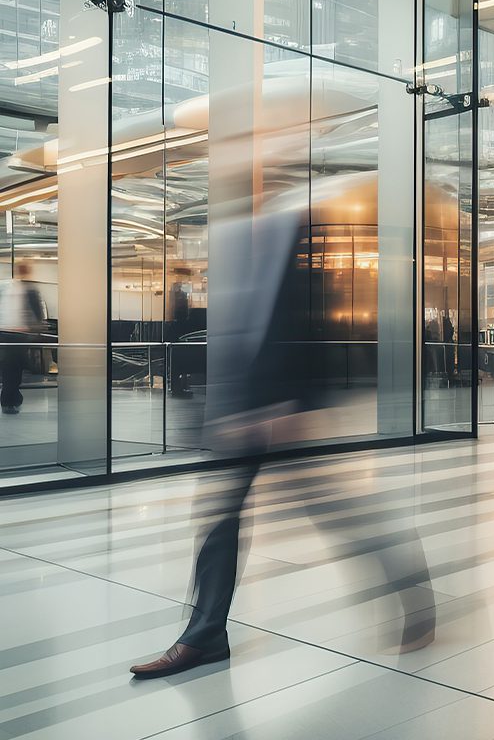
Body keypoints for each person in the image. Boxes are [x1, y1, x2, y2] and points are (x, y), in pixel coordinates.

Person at [130, 196, 435, 679]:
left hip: (281, 412)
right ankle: (205, 635)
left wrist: (293, 408)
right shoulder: (239, 255)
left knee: (335, 511)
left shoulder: (300, 254)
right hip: (238, 414)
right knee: (218, 523)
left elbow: (314, 337)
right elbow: (231, 338)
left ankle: (410, 582)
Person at [0, 261, 44, 414]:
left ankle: (10, 400)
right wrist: (36, 329)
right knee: (13, 369)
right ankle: (10, 400)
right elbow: (37, 312)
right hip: (16, 335)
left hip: (9, 334)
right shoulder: (28, 289)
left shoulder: (8, 287)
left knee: (10, 368)